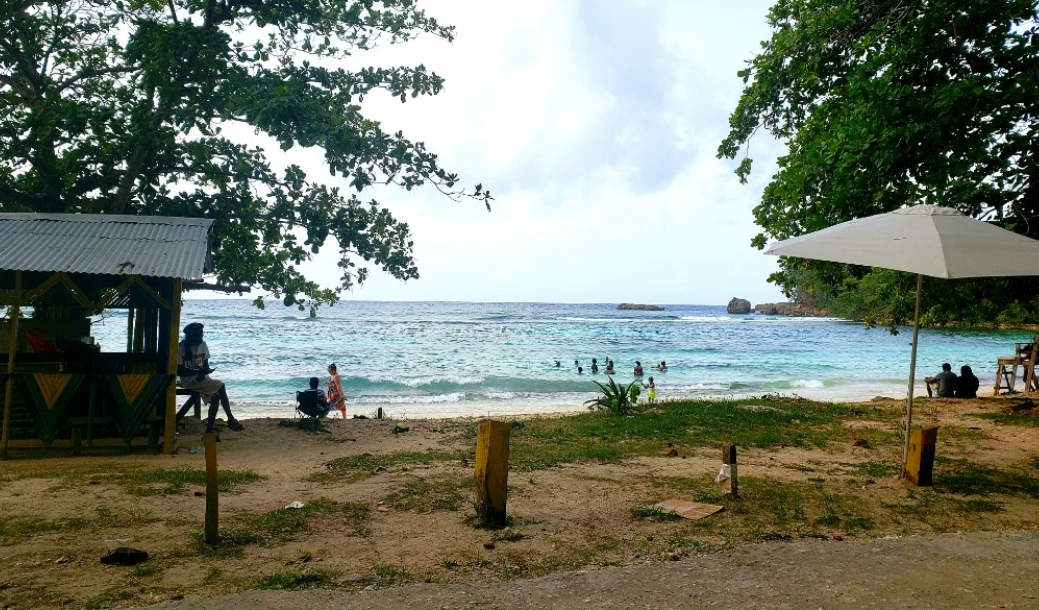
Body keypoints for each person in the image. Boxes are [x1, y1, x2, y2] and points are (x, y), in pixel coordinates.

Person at [177, 322, 243, 432]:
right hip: (188, 381)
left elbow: (205, 364)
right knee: (220, 386)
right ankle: (230, 419)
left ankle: (209, 429)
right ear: (193, 335)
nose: (202, 336)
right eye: (200, 334)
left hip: (202, 380)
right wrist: (197, 372)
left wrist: (205, 371)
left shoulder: (203, 345)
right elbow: (179, 371)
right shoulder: (181, 348)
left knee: (216, 397)